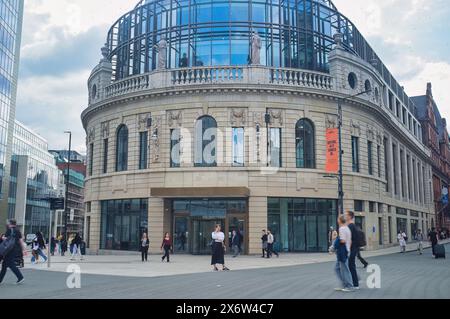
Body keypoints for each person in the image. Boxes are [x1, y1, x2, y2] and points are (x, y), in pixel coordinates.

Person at [0, 219, 25, 285]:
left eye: (8, 223)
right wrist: (23, 250)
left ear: (10, 223)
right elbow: (20, 241)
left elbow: (5, 239)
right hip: (15, 249)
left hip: (8, 250)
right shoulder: (18, 231)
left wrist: (2, 237)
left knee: (10, 264)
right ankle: (0, 280)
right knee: (4, 265)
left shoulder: (9, 230)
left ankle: (20, 277)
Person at [345, 211, 365, 290]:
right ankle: (355, 281)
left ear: (350, 216)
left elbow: (350, 239)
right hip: (354, 248)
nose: (345, 216)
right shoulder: (352, 226)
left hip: (352, 249)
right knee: (351, 265)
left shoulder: (350, 226)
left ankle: (355, 283)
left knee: (351, 266)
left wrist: (348, 249)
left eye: (346, 215)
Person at [334, 215, 354, 292]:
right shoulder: (347, 228)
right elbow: (350, 241)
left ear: (339, 220)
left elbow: (342, 241)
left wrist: (335, 244)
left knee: (344, 269)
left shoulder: (342, 228)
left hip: (343, 252)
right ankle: (344, 284)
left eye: (338, 219)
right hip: (346, 250)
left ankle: (349, 285)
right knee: (338, 268)